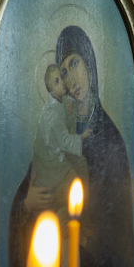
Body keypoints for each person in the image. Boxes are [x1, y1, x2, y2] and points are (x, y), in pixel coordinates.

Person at [7, 26, 134, 267]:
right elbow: (35, 182)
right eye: (63, 71)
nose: (71, 78)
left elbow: (119, 228)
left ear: (89, 63)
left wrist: (88, 236)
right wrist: (26, 204)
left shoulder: (111, 139)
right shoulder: (58, 129)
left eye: (75, 63)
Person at [31, 64, 91, 210]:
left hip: (56, 154)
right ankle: (82, 211)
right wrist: (82, 136)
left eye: (61, 77)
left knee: (81, 163)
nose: (62, 82)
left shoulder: (58, 104)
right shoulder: (52, 111)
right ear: (51, 88)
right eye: (56, 81)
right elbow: (64, 141)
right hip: (51, 163)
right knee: (80, 168)